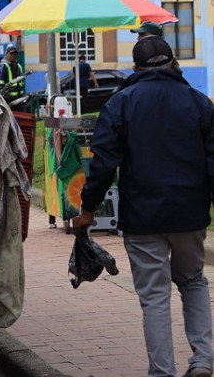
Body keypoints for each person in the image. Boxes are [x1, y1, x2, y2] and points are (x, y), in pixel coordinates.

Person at [72, 37, 214, 377]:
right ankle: (203, 360)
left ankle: (162, 371)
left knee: (154, 296)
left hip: (142, 216)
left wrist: (89, 208)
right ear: (173, 63)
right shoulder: (199, 103)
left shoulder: (121, 104)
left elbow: (103, 163)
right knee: (193, 280)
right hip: (190, 213)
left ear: (135, 68)